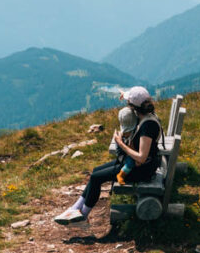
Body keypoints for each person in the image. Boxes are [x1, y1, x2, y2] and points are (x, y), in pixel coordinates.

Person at [54, 86, 163, 225]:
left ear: (132, 106)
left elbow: (142, 156)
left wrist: (120, 143)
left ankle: (83, 216)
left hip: (142, 170)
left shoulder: (148, 126)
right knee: (96, 172)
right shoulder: (145, 116)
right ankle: (75, 209)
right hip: (136, 164)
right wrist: (125, 95)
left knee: (96, 178)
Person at [115, 106, 138, 185]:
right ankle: (121, 175)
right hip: (125, 153)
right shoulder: (130, 132)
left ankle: (121, 173)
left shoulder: (124, 131)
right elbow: (130, 147)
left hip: (124, 151)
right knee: (131, 162)